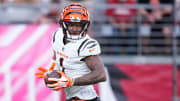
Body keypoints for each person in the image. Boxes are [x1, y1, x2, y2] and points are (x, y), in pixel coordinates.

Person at [35, 3, 107, 101]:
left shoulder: (86, 44)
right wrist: (53, 69)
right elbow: (58, 54)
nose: (75, 29)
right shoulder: (58, 35)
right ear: (63, 24)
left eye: (79, 25)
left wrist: (70, 81)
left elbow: (101, 74)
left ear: (85, 26)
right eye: (71, 25)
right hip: (72, 97)